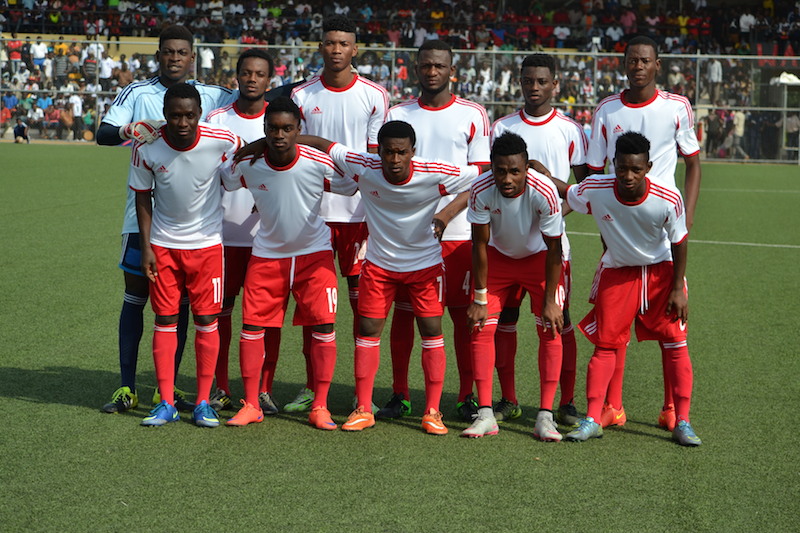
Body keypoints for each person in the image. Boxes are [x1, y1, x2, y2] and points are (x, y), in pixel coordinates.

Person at [297, 121, 479, 435]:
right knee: (367, 330)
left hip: (425, 267)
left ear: (413, 152)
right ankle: (364, 409)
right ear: (378, 151)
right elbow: (326, 145)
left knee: (432, 331)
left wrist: (446, 215)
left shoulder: (433, 172)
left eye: (402, 152)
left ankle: (432, 412)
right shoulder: (364, 166)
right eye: (388, 152)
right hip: (379, 267)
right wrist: (286, 139)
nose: (395, 159)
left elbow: (481, 176)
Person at [97, 24, 237, 415]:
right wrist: (128, 129)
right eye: (168, 52)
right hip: (141, 220)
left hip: (193, 229)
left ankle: (168, 390)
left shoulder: (213, 94)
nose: (174, 58)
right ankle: (127, 387)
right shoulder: (137, 92)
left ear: (192, 56)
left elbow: (253, 98)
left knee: (181, 306)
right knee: (136, 298)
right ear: (158, 55)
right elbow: (103, 133)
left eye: (181, 52)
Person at [555, 132, 701, 447]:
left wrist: (678, 288)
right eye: (622, 168)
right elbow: (569, 191)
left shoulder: (668, 196)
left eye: (636, 169)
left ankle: (683, 421)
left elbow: (679, 241)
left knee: (676, 343)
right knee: (605, 346)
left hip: (661, 273)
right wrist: (540, 173)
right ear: (614, 165)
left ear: (648, 167)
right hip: (618, 273)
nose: (628, 176)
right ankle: (593, 419)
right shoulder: (597, 188)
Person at [586, 35, 701, 431]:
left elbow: (693, 162)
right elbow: (592, 169)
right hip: (620, 226)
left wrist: (688, 214)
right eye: (632, 60)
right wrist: (604, 219)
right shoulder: (607, 109)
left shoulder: (676, 107)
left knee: (670, 322)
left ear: (657, 65)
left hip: (663, 228)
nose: (638, 66)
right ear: (623, 64)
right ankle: (612, 406)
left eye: (645, 60)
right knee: (613, 324)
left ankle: (671, 409)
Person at [221, 97, 357, 429]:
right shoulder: (251, 163)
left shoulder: (315, 161)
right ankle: (251, 404)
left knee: (324, 327)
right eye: (273, 129)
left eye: (287, 129)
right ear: (264, 129)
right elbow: (226, 177)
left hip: (314, 256)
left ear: (298, 130)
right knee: (252, 329)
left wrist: (308, 142)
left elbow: (351, 184)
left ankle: (320, 406)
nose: (279, 135)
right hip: (267, 256)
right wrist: (251, 147)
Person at [380, 39, 491, 422]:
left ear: (451, 70)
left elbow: (479, 177)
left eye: (439, 66)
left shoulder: (473, 114)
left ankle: (464, 396)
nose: (432, 72)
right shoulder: (398, 114)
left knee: (462, 318)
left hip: (458, 235)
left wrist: (445, 215)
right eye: (426, 65)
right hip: (407, 239)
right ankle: (400, 394)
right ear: (416, 68)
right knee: (404, 316)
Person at [287, 14, 389, 413]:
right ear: (320, 47)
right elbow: (294, 152)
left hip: (359, 215)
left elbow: (374, 159)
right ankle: (312, 387)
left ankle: (363, 395)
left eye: (343, 43)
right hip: (311, 214)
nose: (336, 50)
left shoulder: (374, 95)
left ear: (355, 49)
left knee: (364, 308)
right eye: (330, 42)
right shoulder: (301, 95)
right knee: (314, 307)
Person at [129, 83, 243, 427]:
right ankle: (166, 402)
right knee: (165, 320)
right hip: (164, 246)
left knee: (206, 321)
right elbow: (142, 196)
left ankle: (204, 402)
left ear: (199, 115)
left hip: (207, 247)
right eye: (175, 115)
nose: (182, 123)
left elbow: (250, 152)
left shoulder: (221, 140)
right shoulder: (146, 147)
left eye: (189, 116)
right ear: (165, 115)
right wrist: (147, 247)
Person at [490, 53, 589, 430]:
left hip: (550, 248)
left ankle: (566, 402)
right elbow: (489, 181)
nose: (534, 87)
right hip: (504, 245)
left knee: (559, 320)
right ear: (520, 82)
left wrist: (556, 213)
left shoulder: (570, 130)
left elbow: (585, 190)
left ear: (555, 84)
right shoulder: (501, 127)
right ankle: (509, 399)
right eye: (528, 81)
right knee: (505, 320)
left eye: (542, 81)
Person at [463, 132, 565, 440]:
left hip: (539, 259)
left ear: (526, 167)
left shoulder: (544, 190)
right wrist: (480, 297)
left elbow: (555, 249)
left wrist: (550, 300)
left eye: (515, 171)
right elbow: (479, 244)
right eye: (500, 171)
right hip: (498, 259)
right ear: (492, 167)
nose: (507, 179)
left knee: (550, 327)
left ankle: (545, 417)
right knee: (481, 326)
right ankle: (485, 415)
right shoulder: (480, 188)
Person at [205, 48, 280, 415]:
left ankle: (264, 389)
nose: (252, 79)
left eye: (259, 74)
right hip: (222, 234)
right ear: (236, 76)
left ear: (270, 80)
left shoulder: (280, 121)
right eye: (246, 73)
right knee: (221, 313)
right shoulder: (217, 119)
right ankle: (221, 386)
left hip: (268, 238)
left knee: (267, 317)